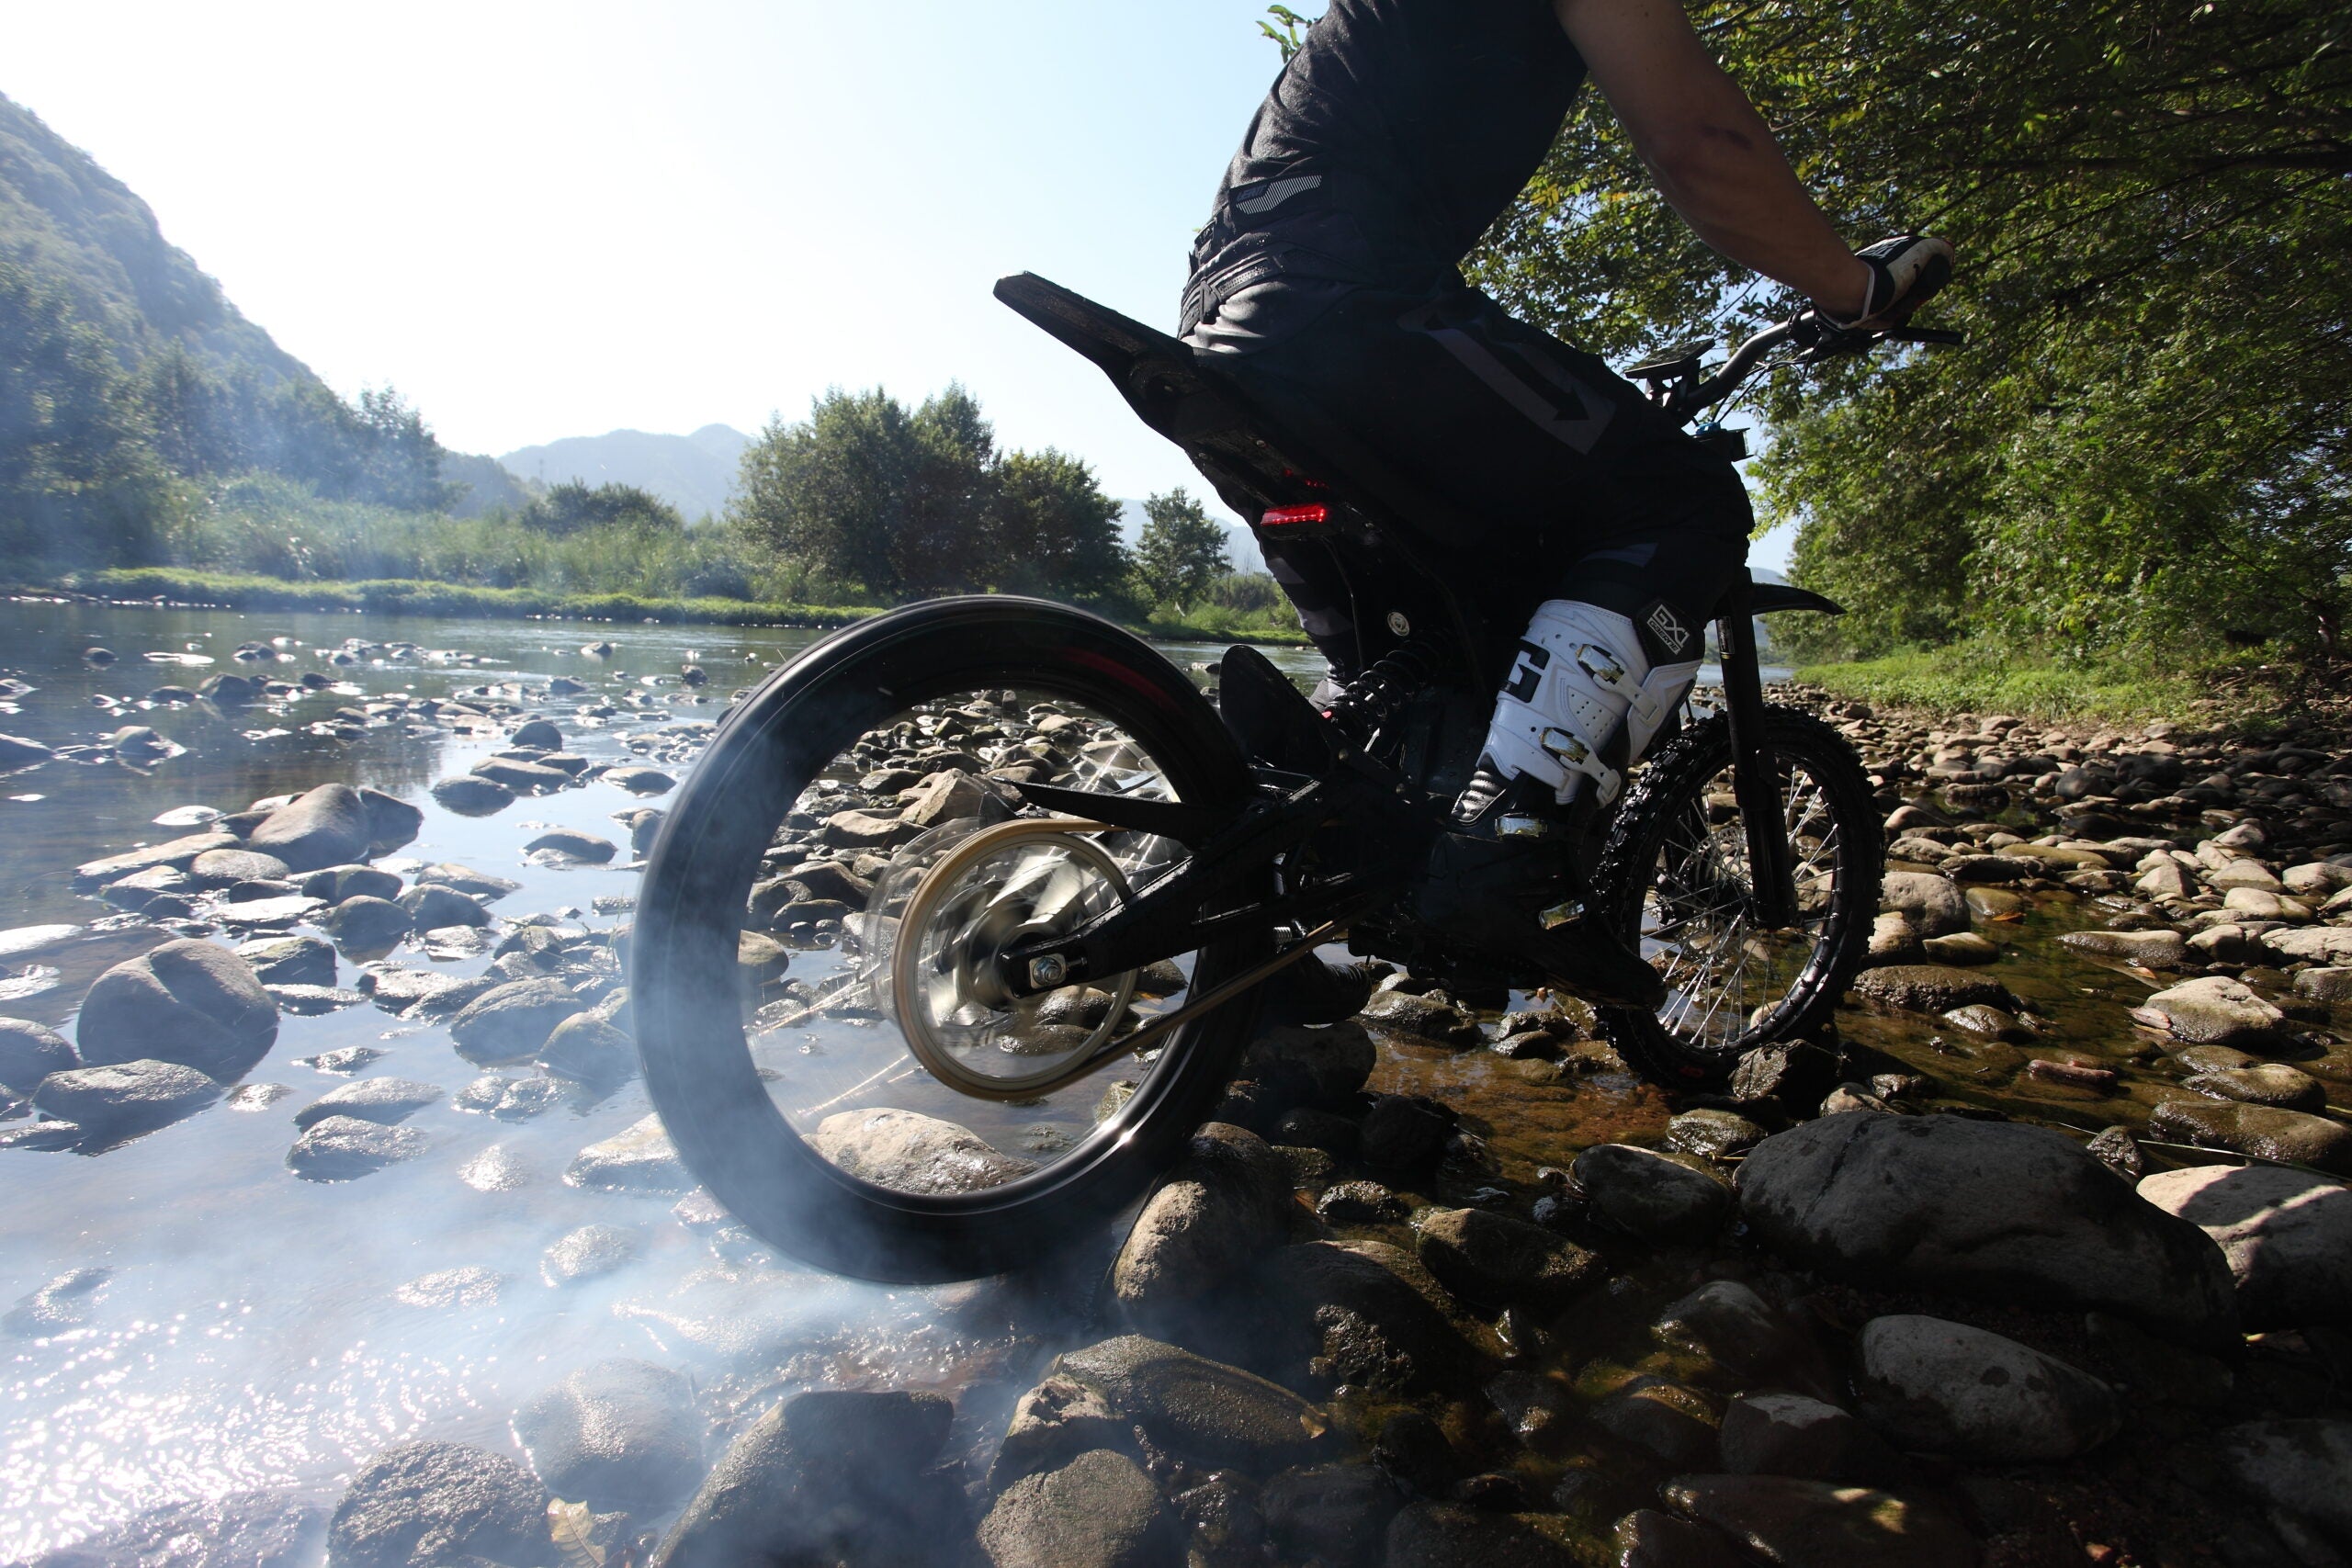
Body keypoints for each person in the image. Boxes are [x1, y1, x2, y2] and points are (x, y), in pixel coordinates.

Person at [1184, 0, 1951, 1010]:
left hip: (1216, 330)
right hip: (1340, 300)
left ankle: (1282, 886)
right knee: (1682, 501)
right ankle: (1502, 857)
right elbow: (1702, 146)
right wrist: (1852, 288)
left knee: (1433, 635)